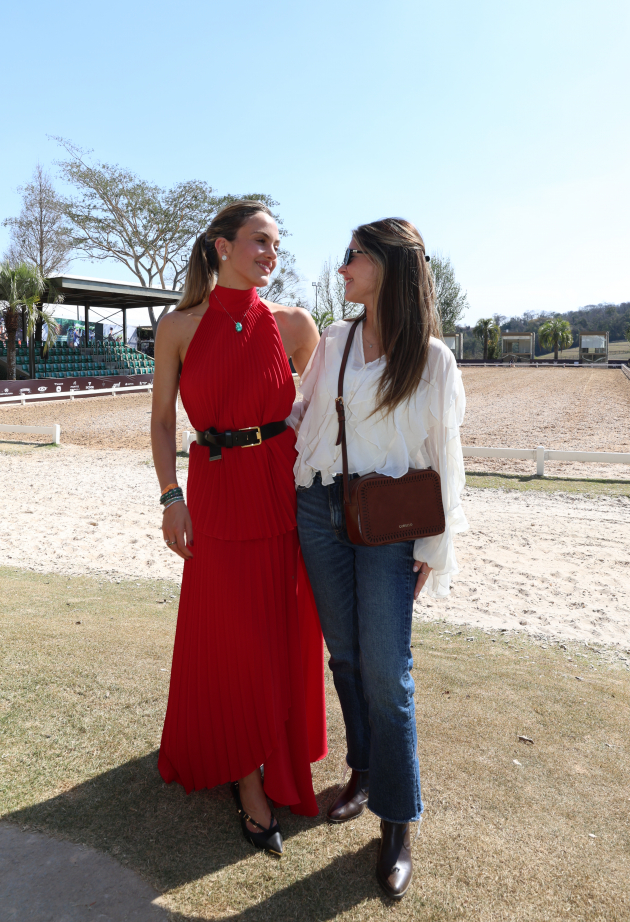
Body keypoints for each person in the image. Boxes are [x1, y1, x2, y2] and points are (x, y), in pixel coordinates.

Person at [293, 218, 468, 899]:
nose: (342, 268)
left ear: (387, 267)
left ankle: (396, 823)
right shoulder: (334, 340)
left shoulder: (431, 359)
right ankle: (362, 773)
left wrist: (434, 545)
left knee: (388, 675)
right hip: (319, 509)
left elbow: (446, 457)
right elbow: (300, 417)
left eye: (353, 256)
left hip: (389, 524)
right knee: (344, 657)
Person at [151, 200, 327, 857]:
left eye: (276, 244)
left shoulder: (295, 324)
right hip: (215, 492)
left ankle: (277, 757)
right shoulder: (178, 326)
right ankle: (247, 781)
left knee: (279, 633)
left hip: (282, 491)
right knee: (231, 636)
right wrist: (171, 497)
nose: (271, 255)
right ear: (222, 246)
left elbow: (326, 408)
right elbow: (163, 422)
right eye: (259, 241)